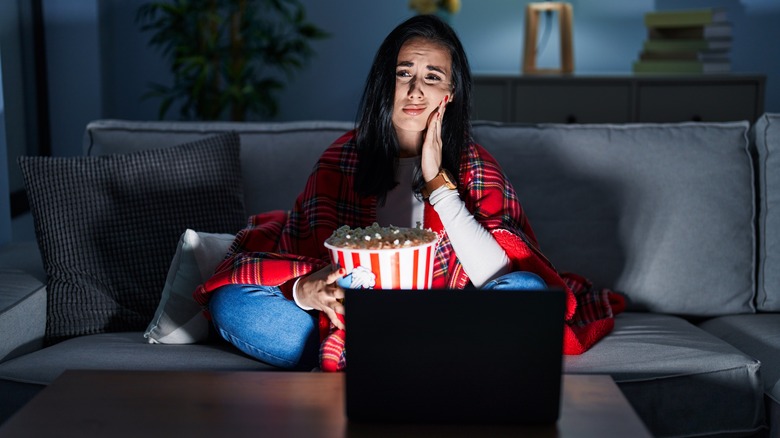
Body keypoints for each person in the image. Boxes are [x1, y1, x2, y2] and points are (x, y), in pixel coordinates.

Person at [194, 15, 623, 372]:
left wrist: (439, 186)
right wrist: (303, 291)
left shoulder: (474, 167)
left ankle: (397, 358)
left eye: (431, 78)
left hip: (447, 314)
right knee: (233, 301)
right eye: (404, 74)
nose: (416, 90)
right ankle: (419, 361)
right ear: (386, 84)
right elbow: (307, 253)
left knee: (527, 293)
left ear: (449, 96)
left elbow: (498, 276)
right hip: (349, 321)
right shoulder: (341, 161)